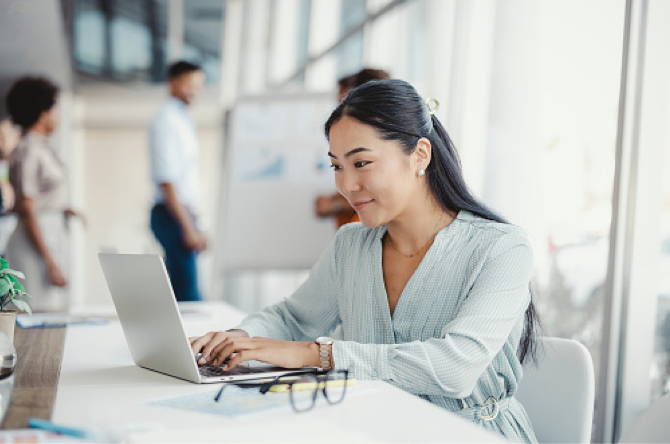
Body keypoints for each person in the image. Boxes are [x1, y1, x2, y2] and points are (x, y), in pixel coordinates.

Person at [190, 79, 540, 443]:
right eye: (336, 166)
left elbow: (455, 367)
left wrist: (317, 355)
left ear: (420, 155)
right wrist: (237, 339)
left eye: (361, 163)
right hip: (372, 429)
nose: (347, 185)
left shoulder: (502, 248)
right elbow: (293, 319)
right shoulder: (351, 245)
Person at [4, 77, 83, 310]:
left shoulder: (40, 146)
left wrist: (65, 208)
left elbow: (43, 194)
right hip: (35, 237)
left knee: (52, 308)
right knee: (37, 312)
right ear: (42, 113)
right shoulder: (28, 149)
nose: (57, 114)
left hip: (48, 230)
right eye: (54, 108)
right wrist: (50, 262)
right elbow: (28, 207)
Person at [149, 61, 207, 302]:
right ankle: (187, 341)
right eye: (189, 84)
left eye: (198, 85)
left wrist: (197, 224)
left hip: (182, 213)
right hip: (172, 214)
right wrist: (188, 227)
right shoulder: (166, 121)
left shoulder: (182, 119)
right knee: (188, 297)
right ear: (173, 82)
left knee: (183, 292)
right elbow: (168, 181)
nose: (194, 90)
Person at [315, 68, 391, 229]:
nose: (339, 110)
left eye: (343, 101)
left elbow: (385, 194)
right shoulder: (350, 140)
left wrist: (334, 205)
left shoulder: (384, 141)